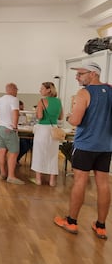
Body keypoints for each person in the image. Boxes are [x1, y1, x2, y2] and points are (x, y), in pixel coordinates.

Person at [54, 61, 112, 240]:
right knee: (103, 184)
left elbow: (76, 121)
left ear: (93, 74)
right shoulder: (111, 90)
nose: (77, 77)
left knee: (80, 181)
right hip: (106, 146)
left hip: (85, 145)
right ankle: (101, 226)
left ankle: (71, 221)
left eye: (80, 73)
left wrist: (71, 116)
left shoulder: (84, 92)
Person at [30, 82, 63, 186]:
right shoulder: (58, 101)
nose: (40, 90)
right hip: (54, 130)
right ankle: (52, 181)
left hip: (43, 130)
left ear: (49, 90)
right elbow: (60, 118)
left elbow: (39, 116)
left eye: (42, 88)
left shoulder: (42, 101)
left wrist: (37, 111)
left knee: (39, 154)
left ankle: (38, 179)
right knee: (53, 155)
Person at [0, 83, 24, 184]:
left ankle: (3, 173)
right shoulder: (14, 99)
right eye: (16, 89)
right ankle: (11, 176)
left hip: (0, 128)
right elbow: (15, 113)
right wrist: (15, 126)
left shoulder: (1, 99)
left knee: (2, 151)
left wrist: (0, 117)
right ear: (13, 89)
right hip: (9, 128)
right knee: (14, 152)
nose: (17, 92)